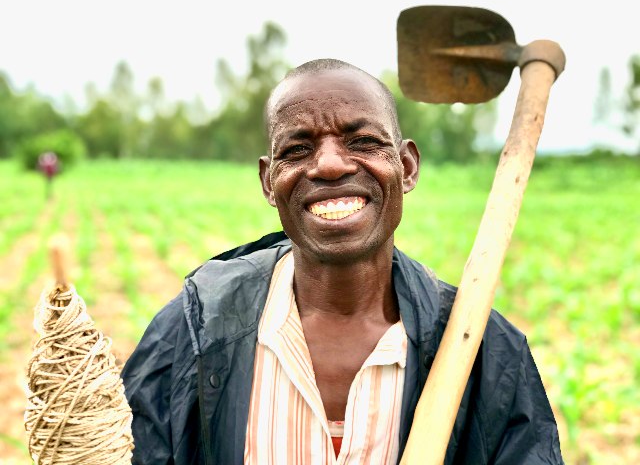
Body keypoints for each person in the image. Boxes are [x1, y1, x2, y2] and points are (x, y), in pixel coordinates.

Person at [122, 59, 563, 464]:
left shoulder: (487, 355)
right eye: (296, 149)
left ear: (407, 167)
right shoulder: (197, 329)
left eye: (363, 141)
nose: (330, 165)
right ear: (268, 182)